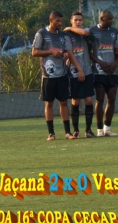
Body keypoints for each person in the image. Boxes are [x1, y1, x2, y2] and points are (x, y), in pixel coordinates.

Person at [31, 11, 85, 141]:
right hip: (48, 75)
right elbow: (34, 52)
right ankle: (51, 133)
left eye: (61, 21)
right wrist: (50, 52)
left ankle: (67, 132)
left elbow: (68, 52)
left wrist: (69, 59)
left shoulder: (63, 35)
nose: (60, 24)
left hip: (62, 74)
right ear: (51, 20)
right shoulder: (41, 34)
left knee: (64, 102)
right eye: (57, 21)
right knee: (49, 103)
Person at [89, 10, 118, 136]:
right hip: (98, 71)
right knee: (100, 99)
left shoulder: (114, 32)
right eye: (109, 19)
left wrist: (115, 63)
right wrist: (99, 62)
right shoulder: (92, 31)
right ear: (102, 19)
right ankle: (99, 130)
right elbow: (89, 50)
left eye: (112, 18)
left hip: (112, 71)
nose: (111, 21)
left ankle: (107, 128)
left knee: (112, 99)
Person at [63, 11, 95, 138]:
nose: (78, 22)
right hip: (73, 72)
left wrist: (71, 28)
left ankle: (88, 130)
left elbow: (86, 33)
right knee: (75, 101)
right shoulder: (67, 35)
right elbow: (70, 53)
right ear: (71, 20)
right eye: (75, 20)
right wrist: (79, 70)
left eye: (80, 20)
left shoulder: (85, 32)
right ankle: (76, 130)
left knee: (88, 100)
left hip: (87, 71)